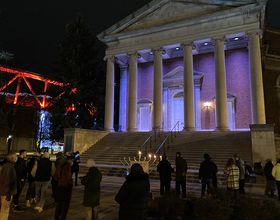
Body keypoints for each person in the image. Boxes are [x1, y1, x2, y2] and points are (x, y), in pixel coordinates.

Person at [54, 155, 74, 220]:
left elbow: (55, 176)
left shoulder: (59, 165)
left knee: (58, 205)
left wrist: (59, 181)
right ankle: (63, 218)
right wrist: (70, 184)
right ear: (70, 160)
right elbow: (68, 177)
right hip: (65, 188)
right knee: (64, 207)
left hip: (59, 187)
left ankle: (56, 218)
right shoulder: (67, 166)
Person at [0, 153, 17, 220]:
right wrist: (8, 193)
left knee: (3, 208)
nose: (16, 159)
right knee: (5, 210)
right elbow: (7, 180)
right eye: (15, 157)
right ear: (12, 158)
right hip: (6, 191)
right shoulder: (9, 167)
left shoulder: (4, 165)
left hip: (3, 190)